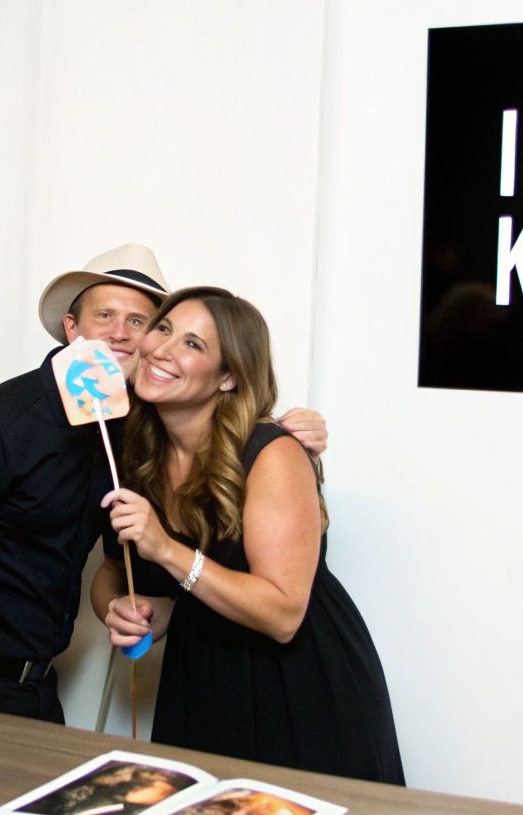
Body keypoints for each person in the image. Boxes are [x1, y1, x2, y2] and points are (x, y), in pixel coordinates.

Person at [0, 244, 327, 723]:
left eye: (142, 321)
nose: (120, 334)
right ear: (71, 328)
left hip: (40, 689)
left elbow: (115, 564)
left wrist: (289, 430)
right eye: (104, 314)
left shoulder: (130, 431)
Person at [95, 287, 404, 784]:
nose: (164, 349)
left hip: (296, 684)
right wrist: (125, 611)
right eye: (165, 329)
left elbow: (282, 614)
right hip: (199, 679)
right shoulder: (135, 452)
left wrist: (168, 551)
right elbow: (115, 572)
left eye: (194, 345)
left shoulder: (271, 453)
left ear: (229, 376)